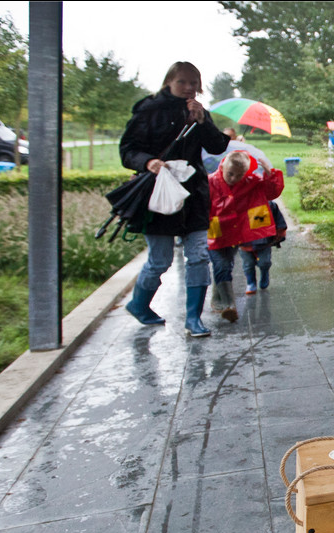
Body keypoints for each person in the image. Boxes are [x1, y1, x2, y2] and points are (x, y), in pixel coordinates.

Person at [120, 61, 229, 337]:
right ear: (169, 81)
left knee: (198, 256)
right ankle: (139, 305)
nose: (189, 87)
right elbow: (128, 150)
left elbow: (216, 146)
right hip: (158, 195)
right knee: (160, 260)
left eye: (194, 82)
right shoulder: (149, 110)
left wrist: (202, 122)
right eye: (183, 81)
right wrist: (148, 162)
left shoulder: (198, 111)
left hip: (193, 194)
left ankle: (194, 318)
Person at [206, 150, 284, 319]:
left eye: (239, 175)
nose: (233, 179)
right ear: (223, 166)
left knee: (225, 264)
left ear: (246, 173)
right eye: (230, 174)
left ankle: (218, 299)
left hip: (235, 233)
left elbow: (271, 193)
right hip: (215, 232)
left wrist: (270, 173)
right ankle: (229, 305)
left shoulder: (251, 182)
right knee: (222, 265)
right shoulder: (210, 182)